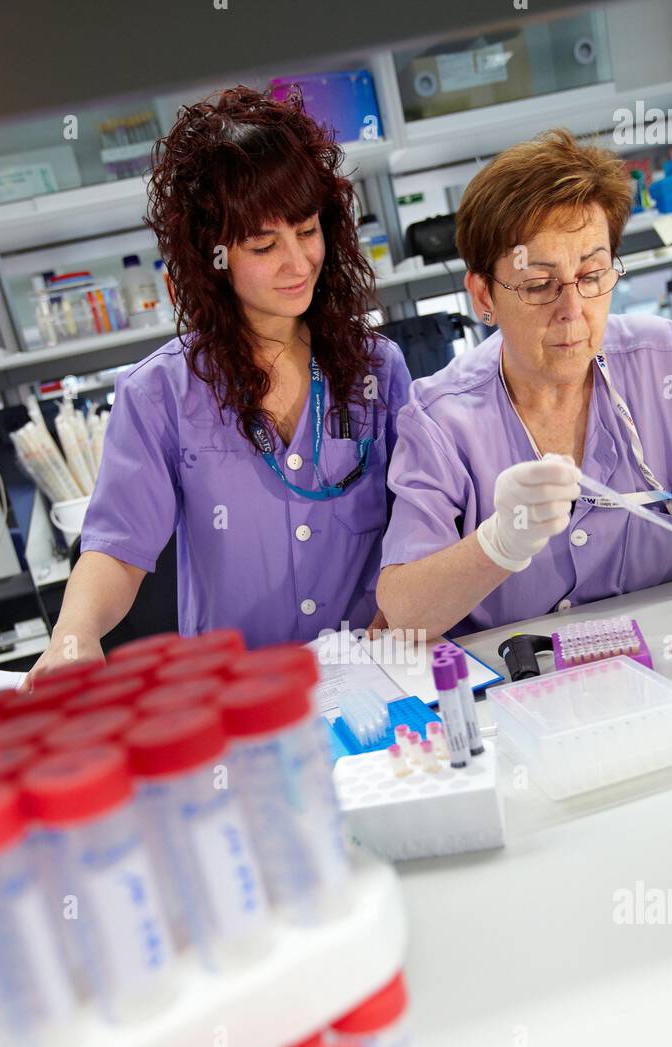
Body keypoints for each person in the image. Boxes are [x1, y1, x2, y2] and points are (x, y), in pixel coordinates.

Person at [27, 85, 410, 683]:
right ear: (214, 257)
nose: (299, 261)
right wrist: (74, 635)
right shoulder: (159, 395)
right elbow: (117, 549)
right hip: (237, 699)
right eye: (263, 245)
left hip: (379, 675)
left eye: (308, 230)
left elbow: (420, 516)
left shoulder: (376, 370)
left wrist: (403, 610)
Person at [377, 128, 672, 640]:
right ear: (482, 295)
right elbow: (403, 615)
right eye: (539, 285)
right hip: (523, 693)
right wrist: (498, 544)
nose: (573, 311)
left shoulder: (670, 365)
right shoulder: (441, 419)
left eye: (593, 274)